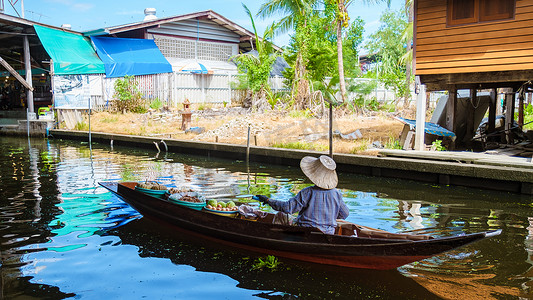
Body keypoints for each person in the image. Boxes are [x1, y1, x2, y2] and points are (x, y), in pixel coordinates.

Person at [256, 155, 349, 235]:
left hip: (305, 231)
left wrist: (268, 200)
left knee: (280, 215)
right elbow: (344, 214)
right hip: (328, 233)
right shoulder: (336, 193)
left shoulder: (308, 192)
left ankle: (279, 240)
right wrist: (327, 216)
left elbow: (287, 208)